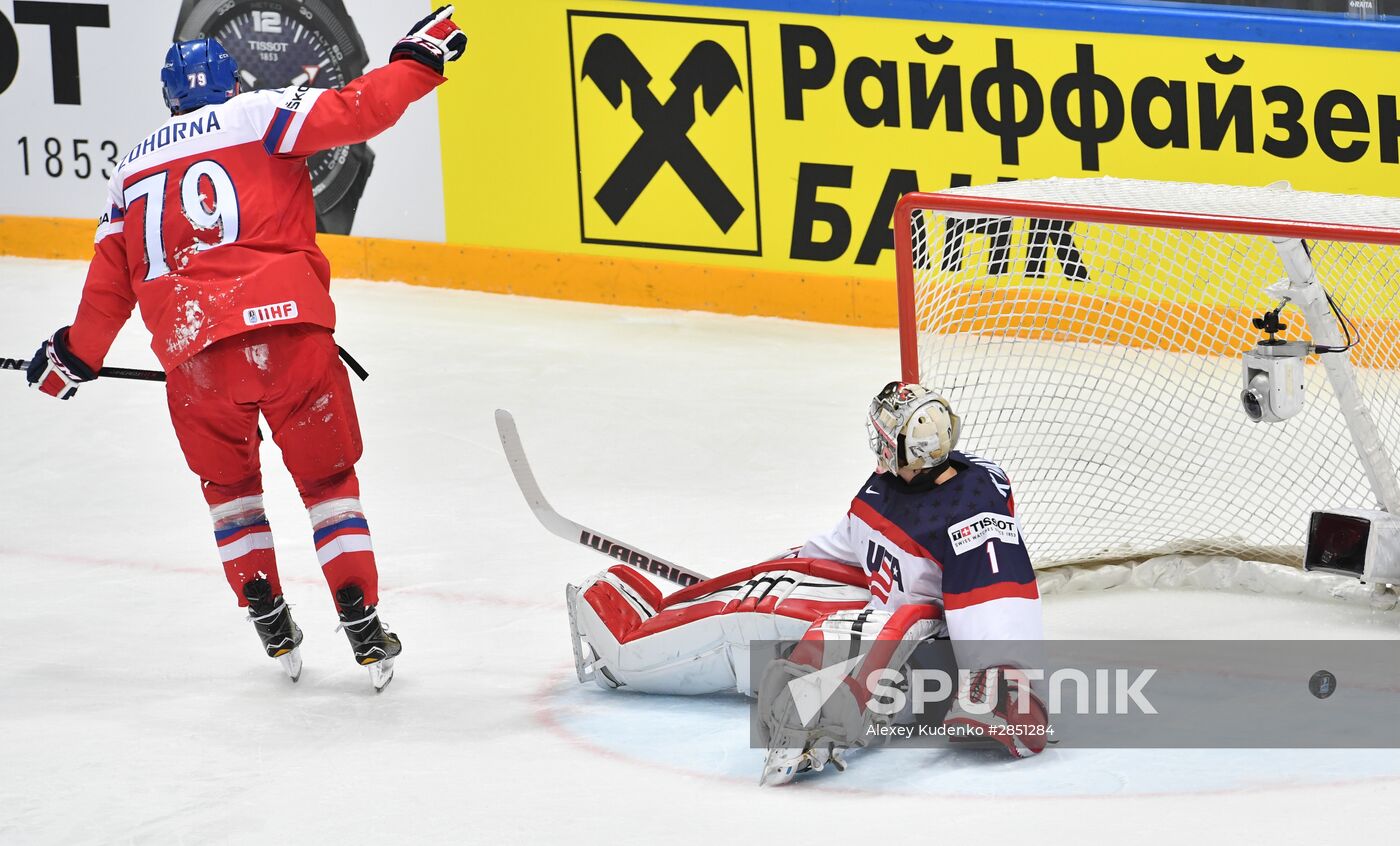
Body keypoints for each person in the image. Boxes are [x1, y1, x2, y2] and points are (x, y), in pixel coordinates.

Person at [24, 7, 469, 691]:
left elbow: (106, 295)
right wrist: (417, 61)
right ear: (230, 84)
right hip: (291, 336)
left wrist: (69, 361)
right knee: (327, 484)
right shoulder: (261, 113)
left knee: (230, 491)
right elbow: (359, 110)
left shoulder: (132, 172)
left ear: (170, 99)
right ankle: (360, 620)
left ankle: (266, 612)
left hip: (195, 361)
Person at [565, 381, 1046, 782]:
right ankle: (664, 630)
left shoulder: (973, 508)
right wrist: (769, 573)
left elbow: (996, 592)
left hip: (922, 660)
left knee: (749, 639)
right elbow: (836, 547)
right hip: (889, 617)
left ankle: (626, 658)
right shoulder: (886, 488)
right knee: (757, 610)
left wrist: (1002, 682)